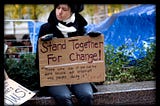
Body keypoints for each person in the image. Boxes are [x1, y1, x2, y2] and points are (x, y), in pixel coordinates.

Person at [36, 3, 100, 106]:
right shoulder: (46, 28)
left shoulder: (80, 27)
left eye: (64, 9)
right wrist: (44, 44)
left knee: (87, 95)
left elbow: (85, 55)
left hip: (77, 74)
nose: (59, 12)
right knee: (64, 97)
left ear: (72, 11)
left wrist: (91, 40)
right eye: (58, 8)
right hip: (54, 77)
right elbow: (38, 59)